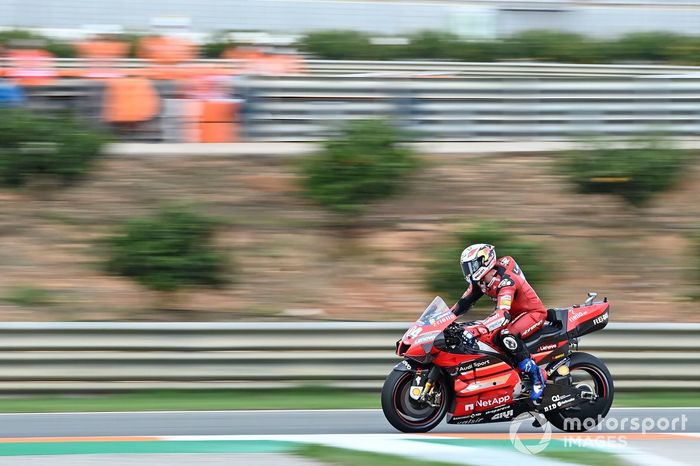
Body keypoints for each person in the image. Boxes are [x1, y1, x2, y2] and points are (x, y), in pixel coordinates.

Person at [448, 243, 547, 401]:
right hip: (514, 315)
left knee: (507, 335)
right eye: (466, 267)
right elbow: (462, 304)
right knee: (488, 339)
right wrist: (444, 319)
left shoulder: (505, 281)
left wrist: (477, 329)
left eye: (472, 266)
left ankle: (537, 376)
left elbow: (503, 316)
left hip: (532, 313)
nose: (469, 271)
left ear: (485, 261)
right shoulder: (480, 281)